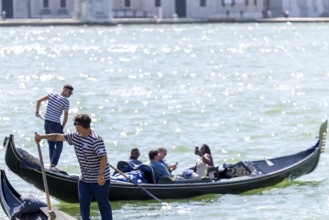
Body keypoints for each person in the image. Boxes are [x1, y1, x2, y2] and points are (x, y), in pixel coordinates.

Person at [35, 113, 112, 220]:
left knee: (103, 205)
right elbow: (58, 137)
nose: (74, 126)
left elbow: (103, 157)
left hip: (99, 180)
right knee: (84, 203)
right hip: (85, 179)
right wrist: (42, 137)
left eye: (75, 123)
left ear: (80, 125)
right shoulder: (75, 136)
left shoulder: (95, 139)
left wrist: (100, 174)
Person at [35, 84, 74, 172]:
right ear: (65, 90)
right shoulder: (66, 101)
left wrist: (37, 112)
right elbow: (65, 116)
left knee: (51, 144)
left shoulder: (52, 94)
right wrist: (62, 127)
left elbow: (38, 101)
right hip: (55, 124)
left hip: (47, 123)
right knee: (59, 145)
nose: (69, 94)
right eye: (69, 92)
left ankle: (52, 166)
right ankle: (53, 166)